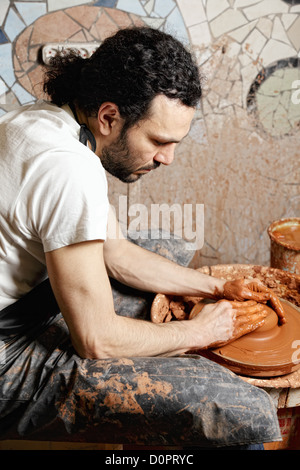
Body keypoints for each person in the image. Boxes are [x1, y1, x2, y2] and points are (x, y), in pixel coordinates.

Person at [0, 27, 282, 448]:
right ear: (110, 117)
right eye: (158, 141)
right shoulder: (68, 169)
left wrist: (219, 286)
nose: (167, 158)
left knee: (168, 248)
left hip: (21, 301)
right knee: (237, 409)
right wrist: (199, 334)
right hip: (7, 355)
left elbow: (115, 253)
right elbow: (96, 340)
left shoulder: (41, 119)